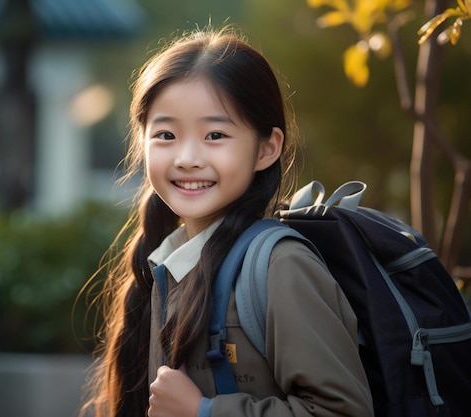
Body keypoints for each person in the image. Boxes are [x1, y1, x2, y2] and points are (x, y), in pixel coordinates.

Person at [80, 26, 374, 417]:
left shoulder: (281, 267)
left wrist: (203, 412)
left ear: (267, 148)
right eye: (166, 134)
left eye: (215, 134)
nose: (186, 157)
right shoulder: (170, 263)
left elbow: (344, 411)